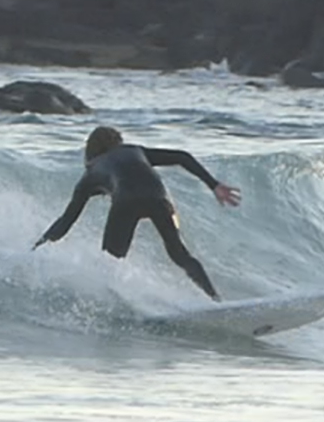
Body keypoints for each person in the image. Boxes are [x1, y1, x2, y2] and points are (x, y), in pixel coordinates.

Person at [32, 125, 242, 299]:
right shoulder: (134, 151)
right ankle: (215, 299)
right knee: (179, 253)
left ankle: (111, 304)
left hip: (126, 200)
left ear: (90, 152)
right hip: (158, 196)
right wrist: (214, 185)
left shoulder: (91, 173)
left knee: (110, 261)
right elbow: (182, 157)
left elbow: (66, 223)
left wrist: (38, 246)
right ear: (118, 143)